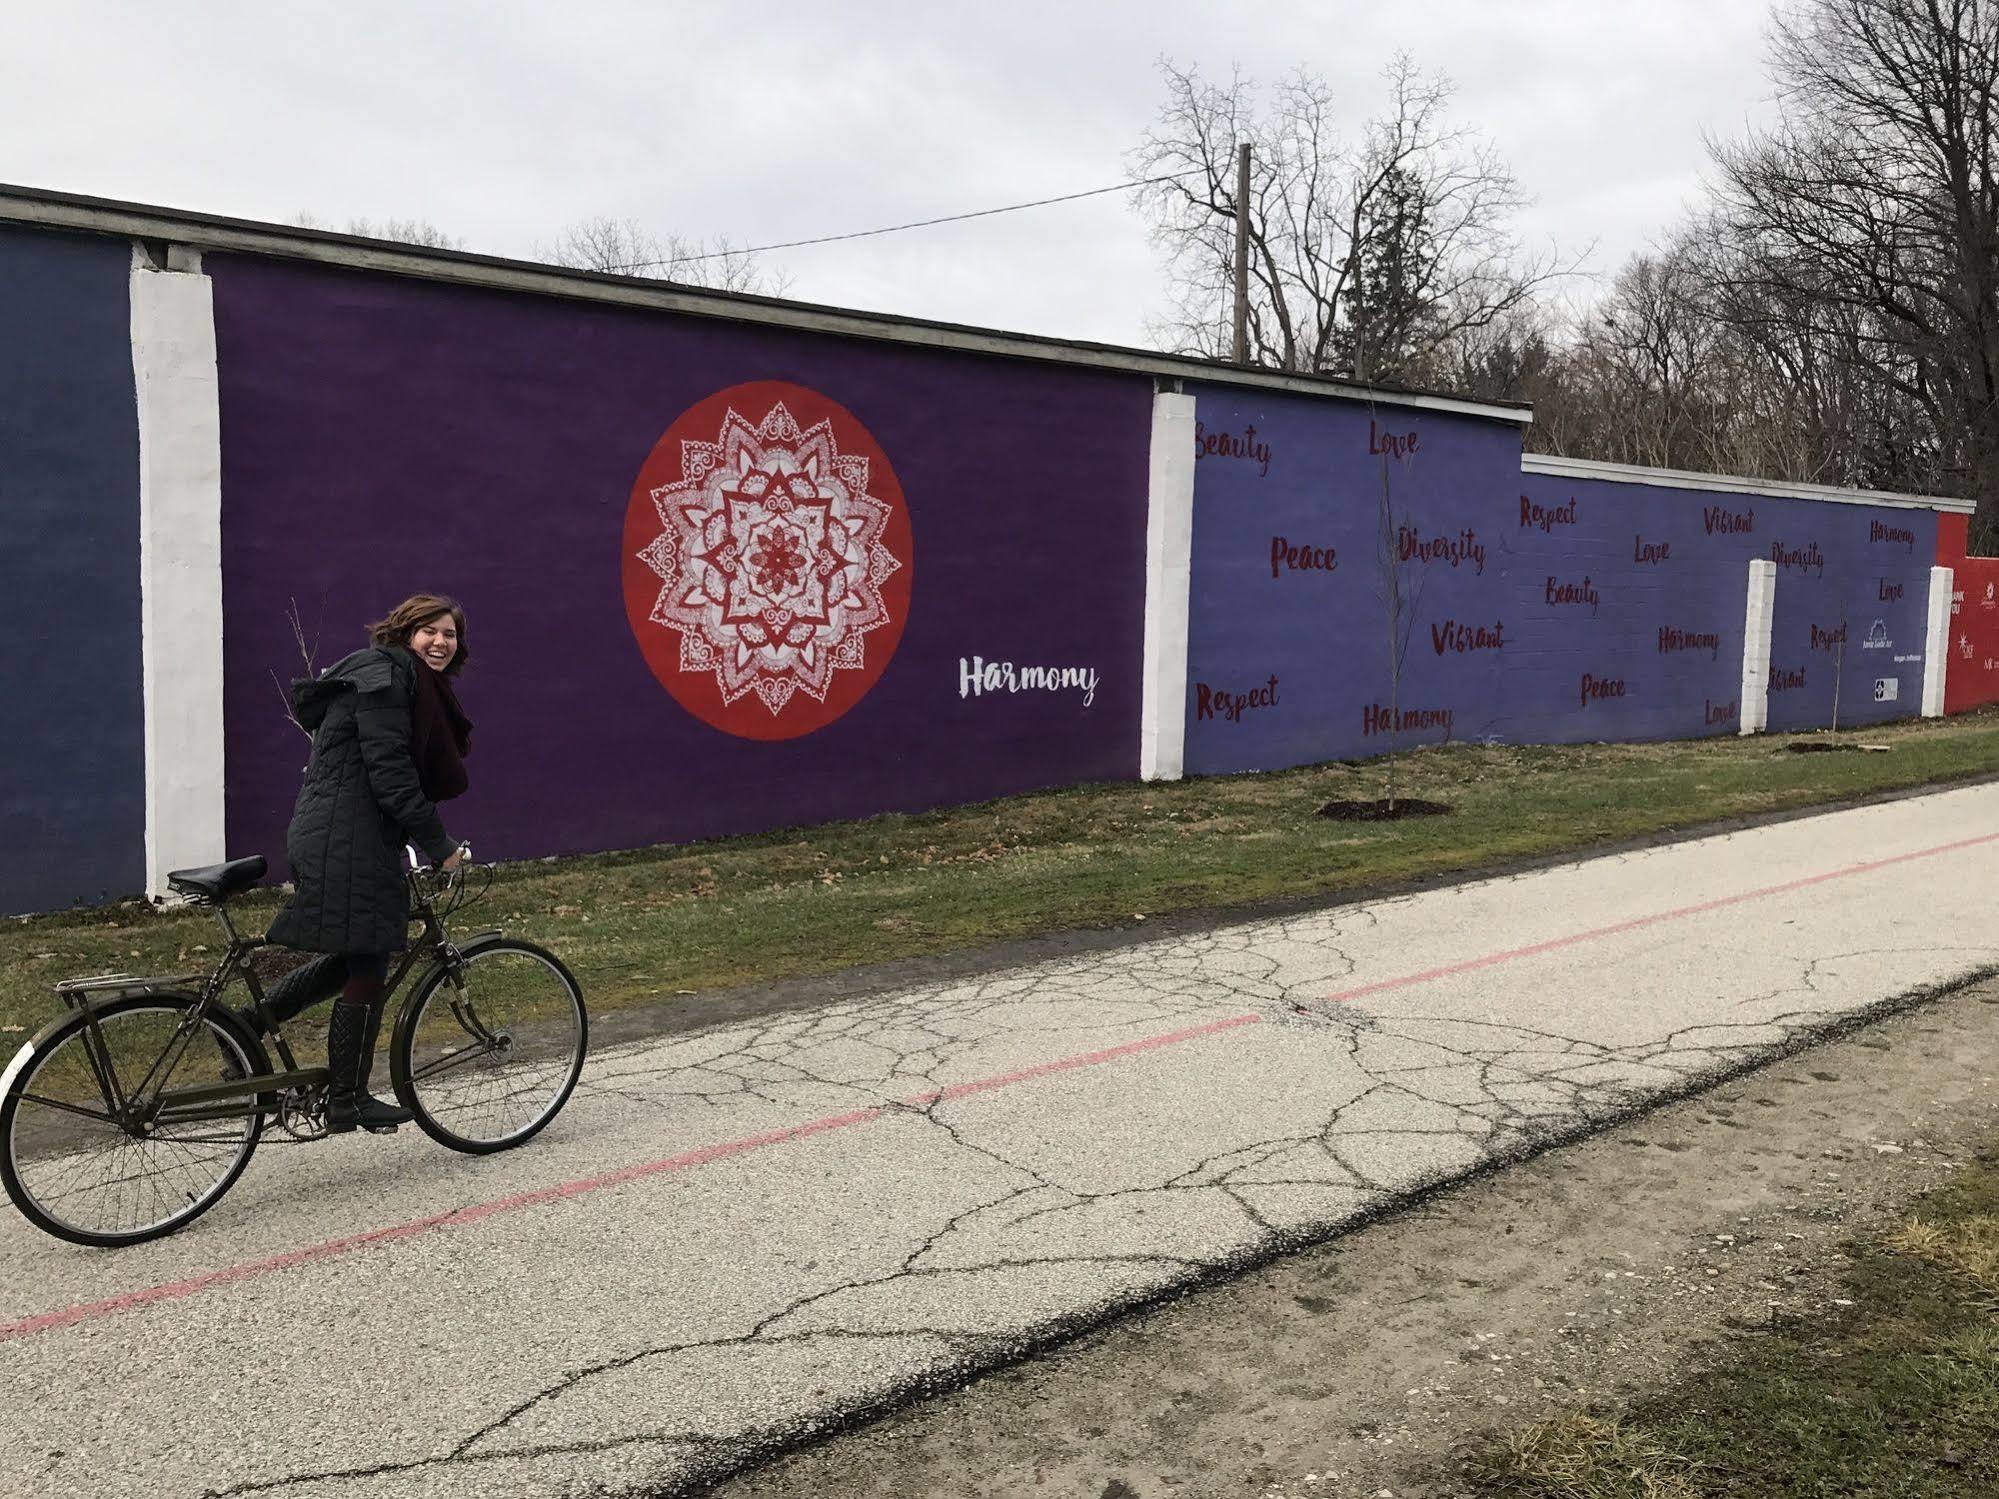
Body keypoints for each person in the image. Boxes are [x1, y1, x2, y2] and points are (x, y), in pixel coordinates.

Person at [263, 593, 474, 1134]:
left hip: (348, 833)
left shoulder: (396, 679)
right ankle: (347, 1097)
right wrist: (441, 845)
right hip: (346, 838)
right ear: (404, 633)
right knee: (372, 956)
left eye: (449, 633)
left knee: (358, 954)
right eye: (429, 630)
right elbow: (391, 774)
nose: (440, 642)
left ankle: (242, 1025)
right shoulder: (382, 680)